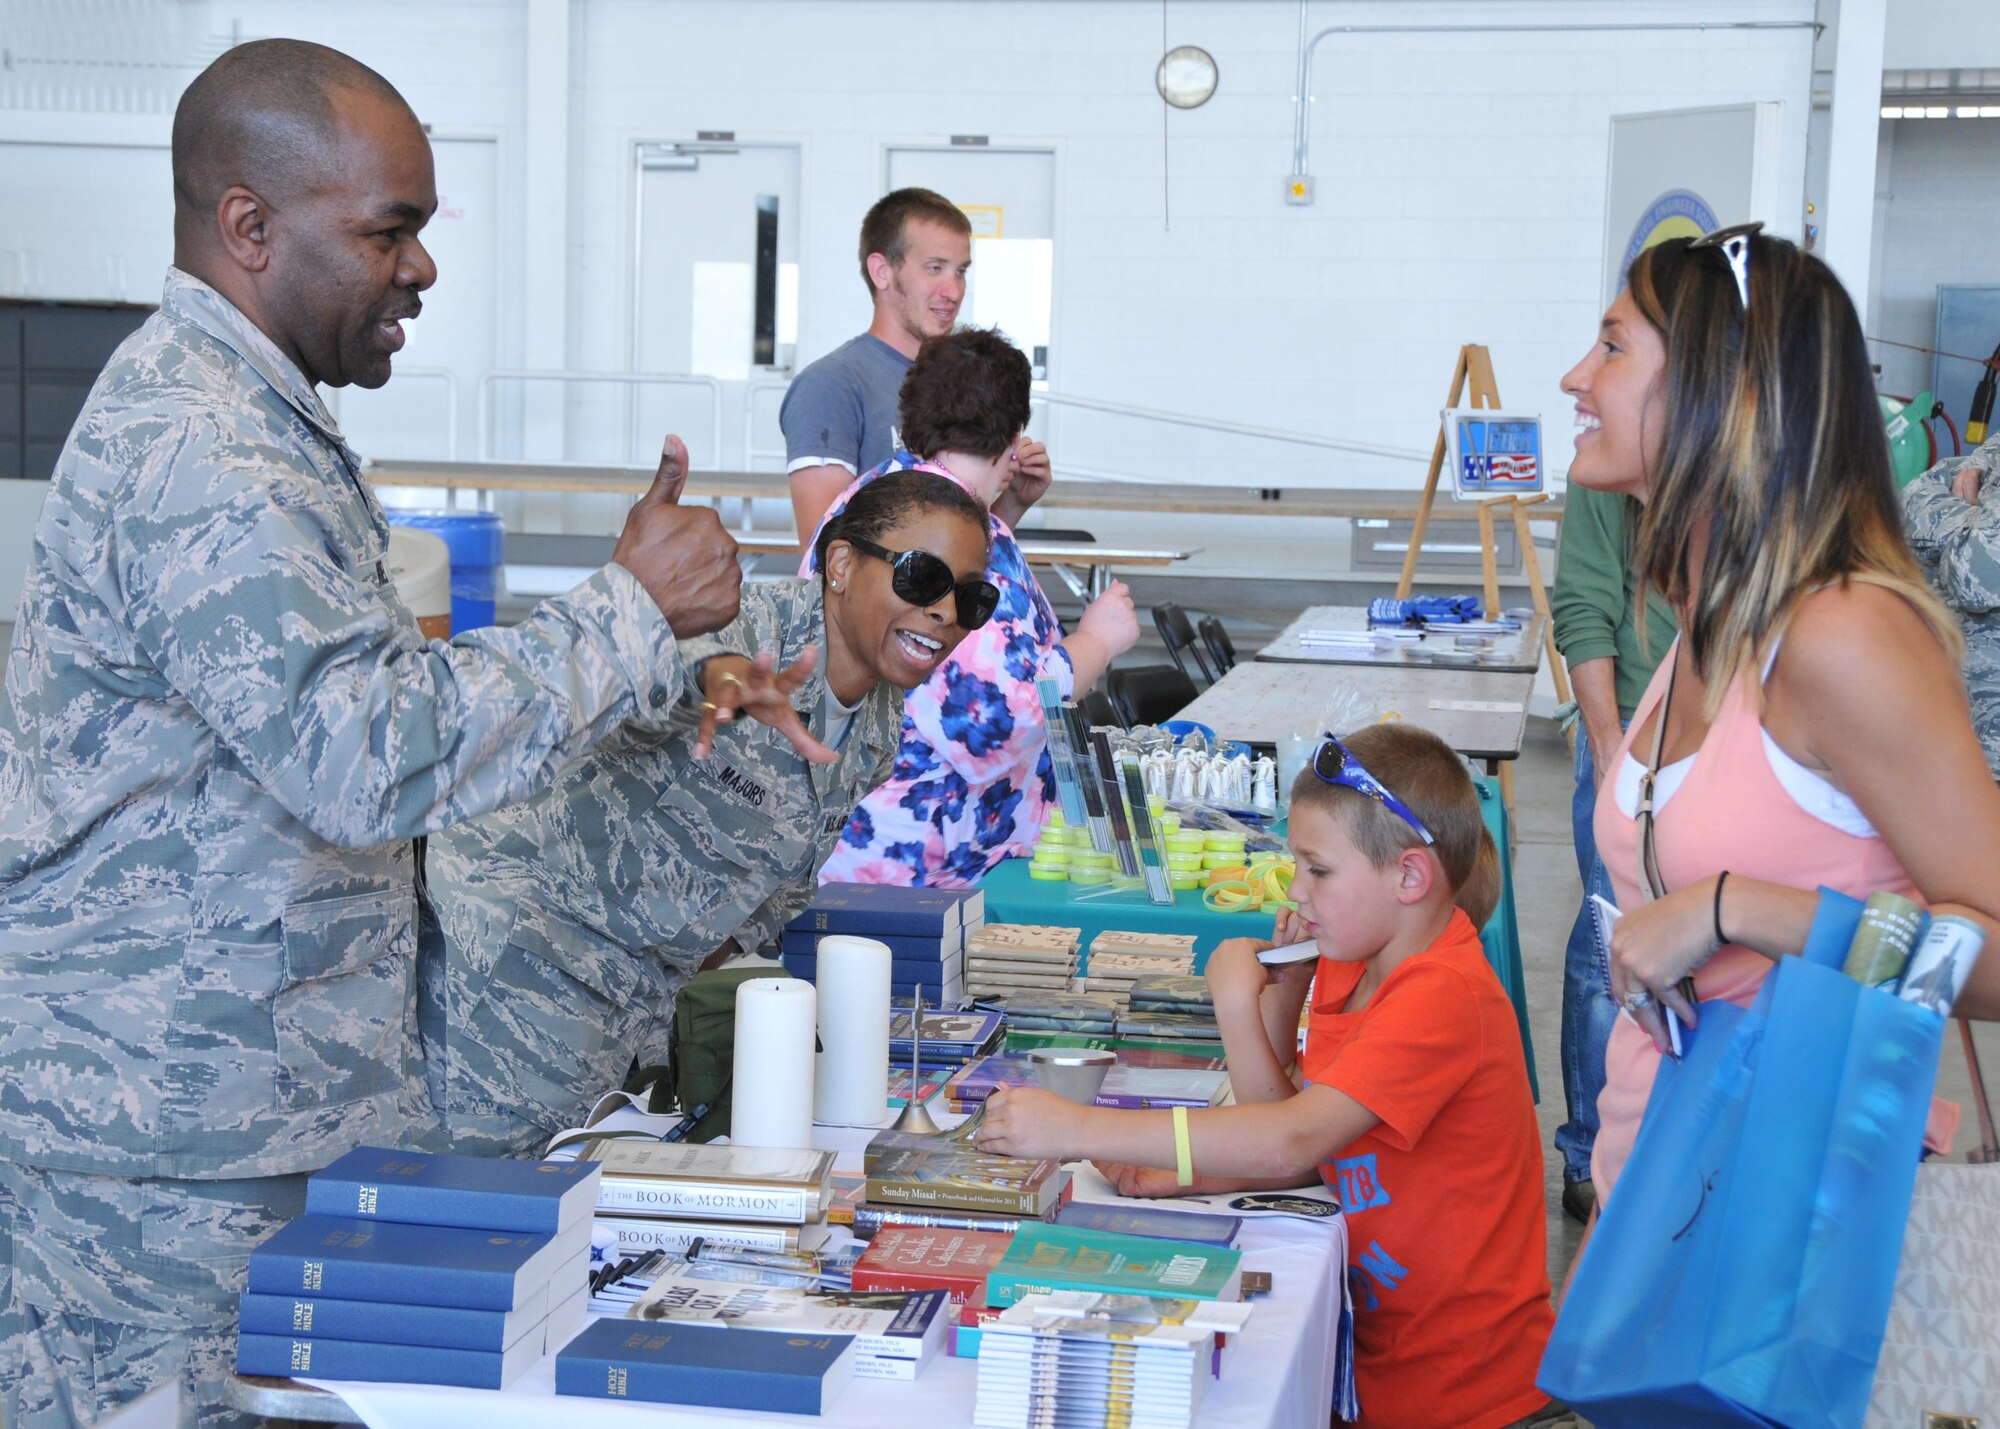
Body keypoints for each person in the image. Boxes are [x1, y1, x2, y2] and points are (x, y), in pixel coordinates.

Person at [0, 40, 764, 1428]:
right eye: (386, 230)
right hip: (158, 1147)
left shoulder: (257, 422)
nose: (418, 267)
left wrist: (635, 658)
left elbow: (347, 696)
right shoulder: (208, 452)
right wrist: (627, 615)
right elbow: (361, 752)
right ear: (249, 227)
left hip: (241, 1110)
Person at [1558, 225, 2000, 1211]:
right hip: (1655, 1197)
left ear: (1727, 389)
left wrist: (1738, 909)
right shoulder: (1704, 617)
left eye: (1613, 345)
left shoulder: (1838, 634)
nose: (1573, 376)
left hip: (1796, 1230)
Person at [978, 724, 1560, 1429]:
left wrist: (1077, 1125)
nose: (1295, 888)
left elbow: (1289, 1138)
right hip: (1384, 1374)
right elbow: (1297, 1126)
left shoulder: (1443, 992)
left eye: (1317, 869)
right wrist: (1266, 1001)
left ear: (1410, 876)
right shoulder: (1355, 955)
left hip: (1473, 1397)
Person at [423, 472, 994, 1154]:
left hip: (618, 1011)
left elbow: (766, 898)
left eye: (971, 597)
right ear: (841, 563)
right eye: (922, 576)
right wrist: (710, 677)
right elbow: (653, 675)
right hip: (515, 967)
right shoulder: (742, 624)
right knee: (484, 1216)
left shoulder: (877, 728)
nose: (944, 611)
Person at [800, 327, 1139, 886]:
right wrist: (1097, 640)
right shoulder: (957, 529)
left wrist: (1006, 508)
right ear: (1011, 435)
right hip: (926, 868)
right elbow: (997, 717)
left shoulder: (878, 493)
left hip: (858, 837)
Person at [780, 186, 1054, 539]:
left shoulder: (956, 379)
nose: (953, 291)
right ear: (881, 271)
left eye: (960, 271)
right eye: (935, 268)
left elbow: (957, 553)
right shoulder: (831, 384)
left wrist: (1013, 500)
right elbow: (826, 555)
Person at [1547, 482, 1675, 1222]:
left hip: (1723, 712)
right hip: (1632, 721)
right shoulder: (1603, 469)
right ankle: (1589, 1155)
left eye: (1613, 352)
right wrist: (1611, 753)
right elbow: (1583, 607)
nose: (1582, 377)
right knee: (1612, 946)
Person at [1900, 430, 2000, 778]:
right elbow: (1910, 499)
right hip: (1954, 738)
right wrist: (1975, 525)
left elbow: (1975, 572)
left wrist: (1960, 530)